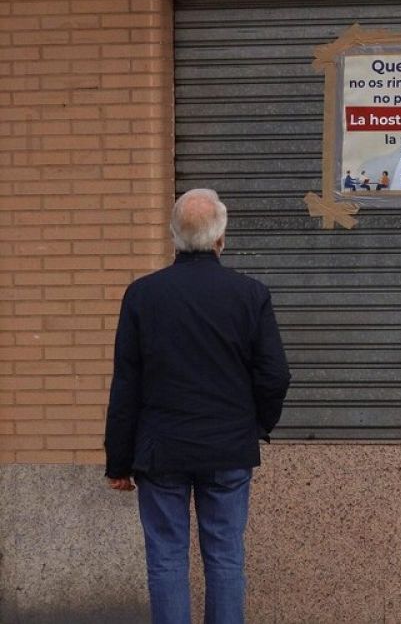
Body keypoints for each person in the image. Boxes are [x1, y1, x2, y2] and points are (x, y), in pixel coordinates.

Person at [104, 189, 293, 624]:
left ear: (173, 236)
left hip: (161, 450)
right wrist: (256, 425)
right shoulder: (250, 295)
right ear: (220, 238)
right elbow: (275, 375)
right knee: (225, 557)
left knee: (167, 559)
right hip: (228, 449)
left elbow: (126, 384)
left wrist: (119, 461)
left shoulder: (142, 296)